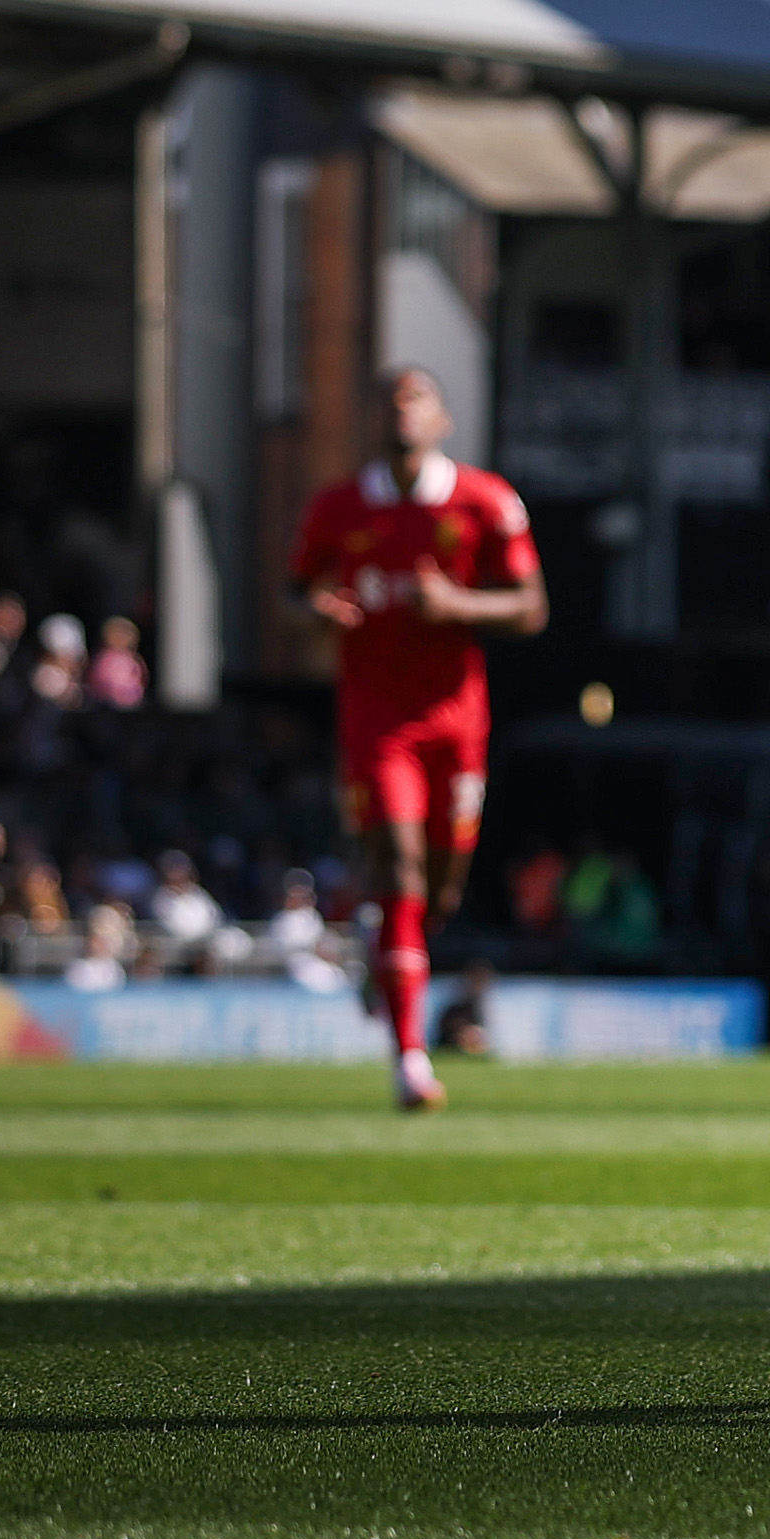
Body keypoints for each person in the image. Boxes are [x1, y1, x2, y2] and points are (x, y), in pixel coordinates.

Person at [288, 364, 546, 1111]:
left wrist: (456, 602)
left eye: (418, 396)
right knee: (397, 867)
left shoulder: (484, 500)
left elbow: (532, 608)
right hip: (377, 717)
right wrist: (315, 611)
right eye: (391, 398)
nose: (403, 407)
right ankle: (409, 1059)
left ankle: (387, 956)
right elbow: (291, 592)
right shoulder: (337, 507)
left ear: (442, 420)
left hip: (457, 721)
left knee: (440, 889)